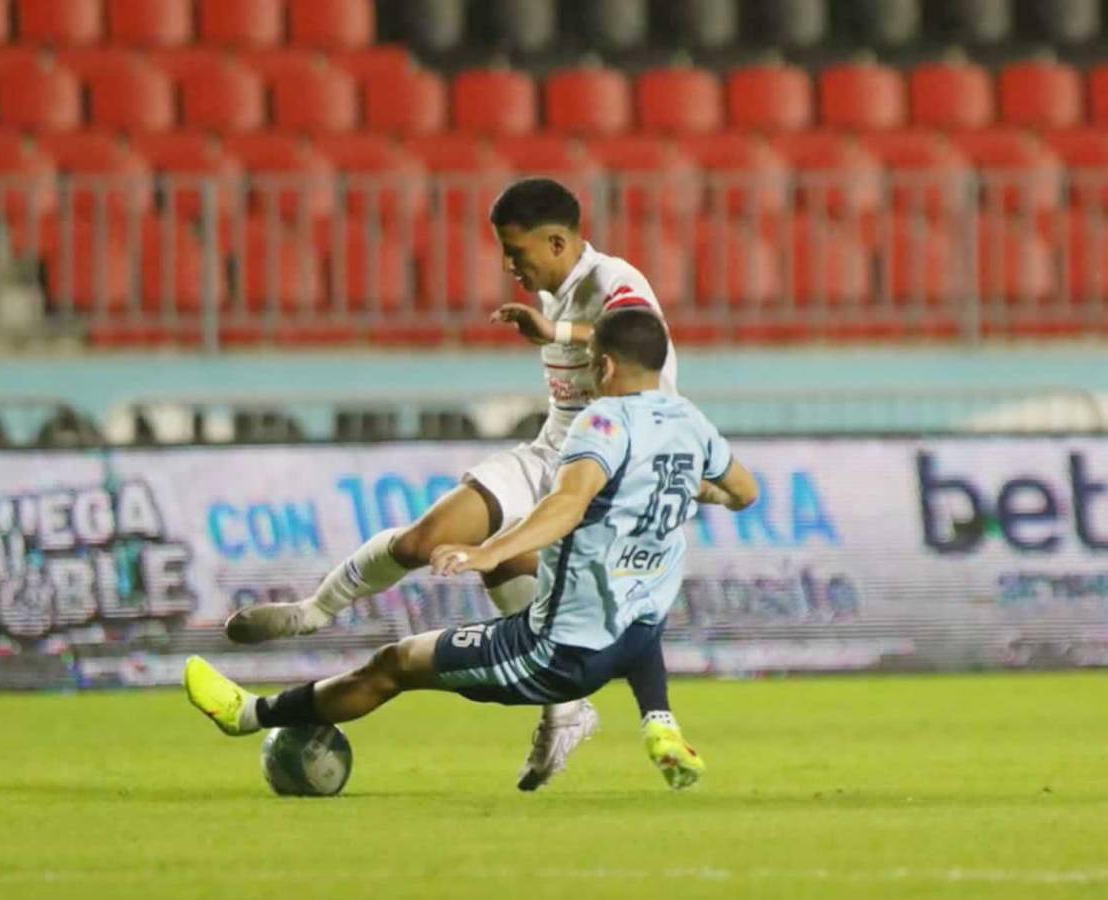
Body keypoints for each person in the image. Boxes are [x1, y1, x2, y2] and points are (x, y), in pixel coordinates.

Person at [225, 177, 682, 790]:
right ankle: (313, 611)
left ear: (556, 241)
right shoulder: (557, 292)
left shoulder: (614, 282)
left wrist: (561, 336)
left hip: (611, 473)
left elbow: (638, 332)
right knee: (425, 539)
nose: (507, 265)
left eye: (516, 252)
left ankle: (563, 707)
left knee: (508, 568)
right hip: (552, 452)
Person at [186, 309, 760, 790]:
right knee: (626, 600)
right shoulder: (690, 423)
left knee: (395, 665)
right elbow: (744, 491)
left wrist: (487, 552)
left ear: (604, 365)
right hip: (633, 637)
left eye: (590, 365)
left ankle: (248, 715)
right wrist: (685, 487)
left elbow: (566, 507)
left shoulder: (602, 421)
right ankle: (658, 722)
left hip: (556, 652)